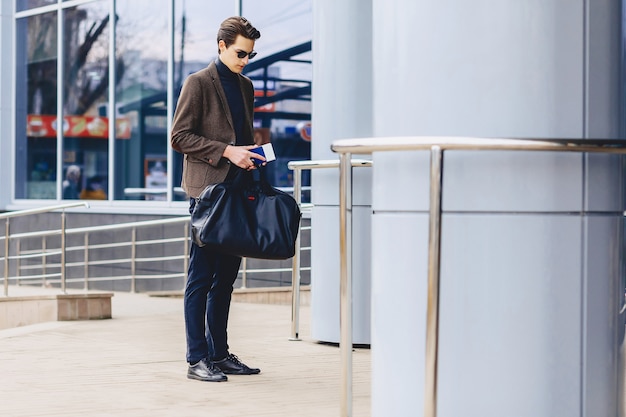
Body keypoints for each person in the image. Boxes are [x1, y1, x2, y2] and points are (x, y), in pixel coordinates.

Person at [170, 16, 265, 383]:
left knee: (226, 278)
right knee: (201, 276)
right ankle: (197, 357)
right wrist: (227, 151)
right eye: (241, 53)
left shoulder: (246, 86)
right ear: (221, 45)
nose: (245, 60)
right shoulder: (197, 83)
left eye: (250, 55)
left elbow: (241, 136)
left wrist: (251, 154)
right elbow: (179, 137)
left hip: (238, 191)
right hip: (207, 195)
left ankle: (220, 354)